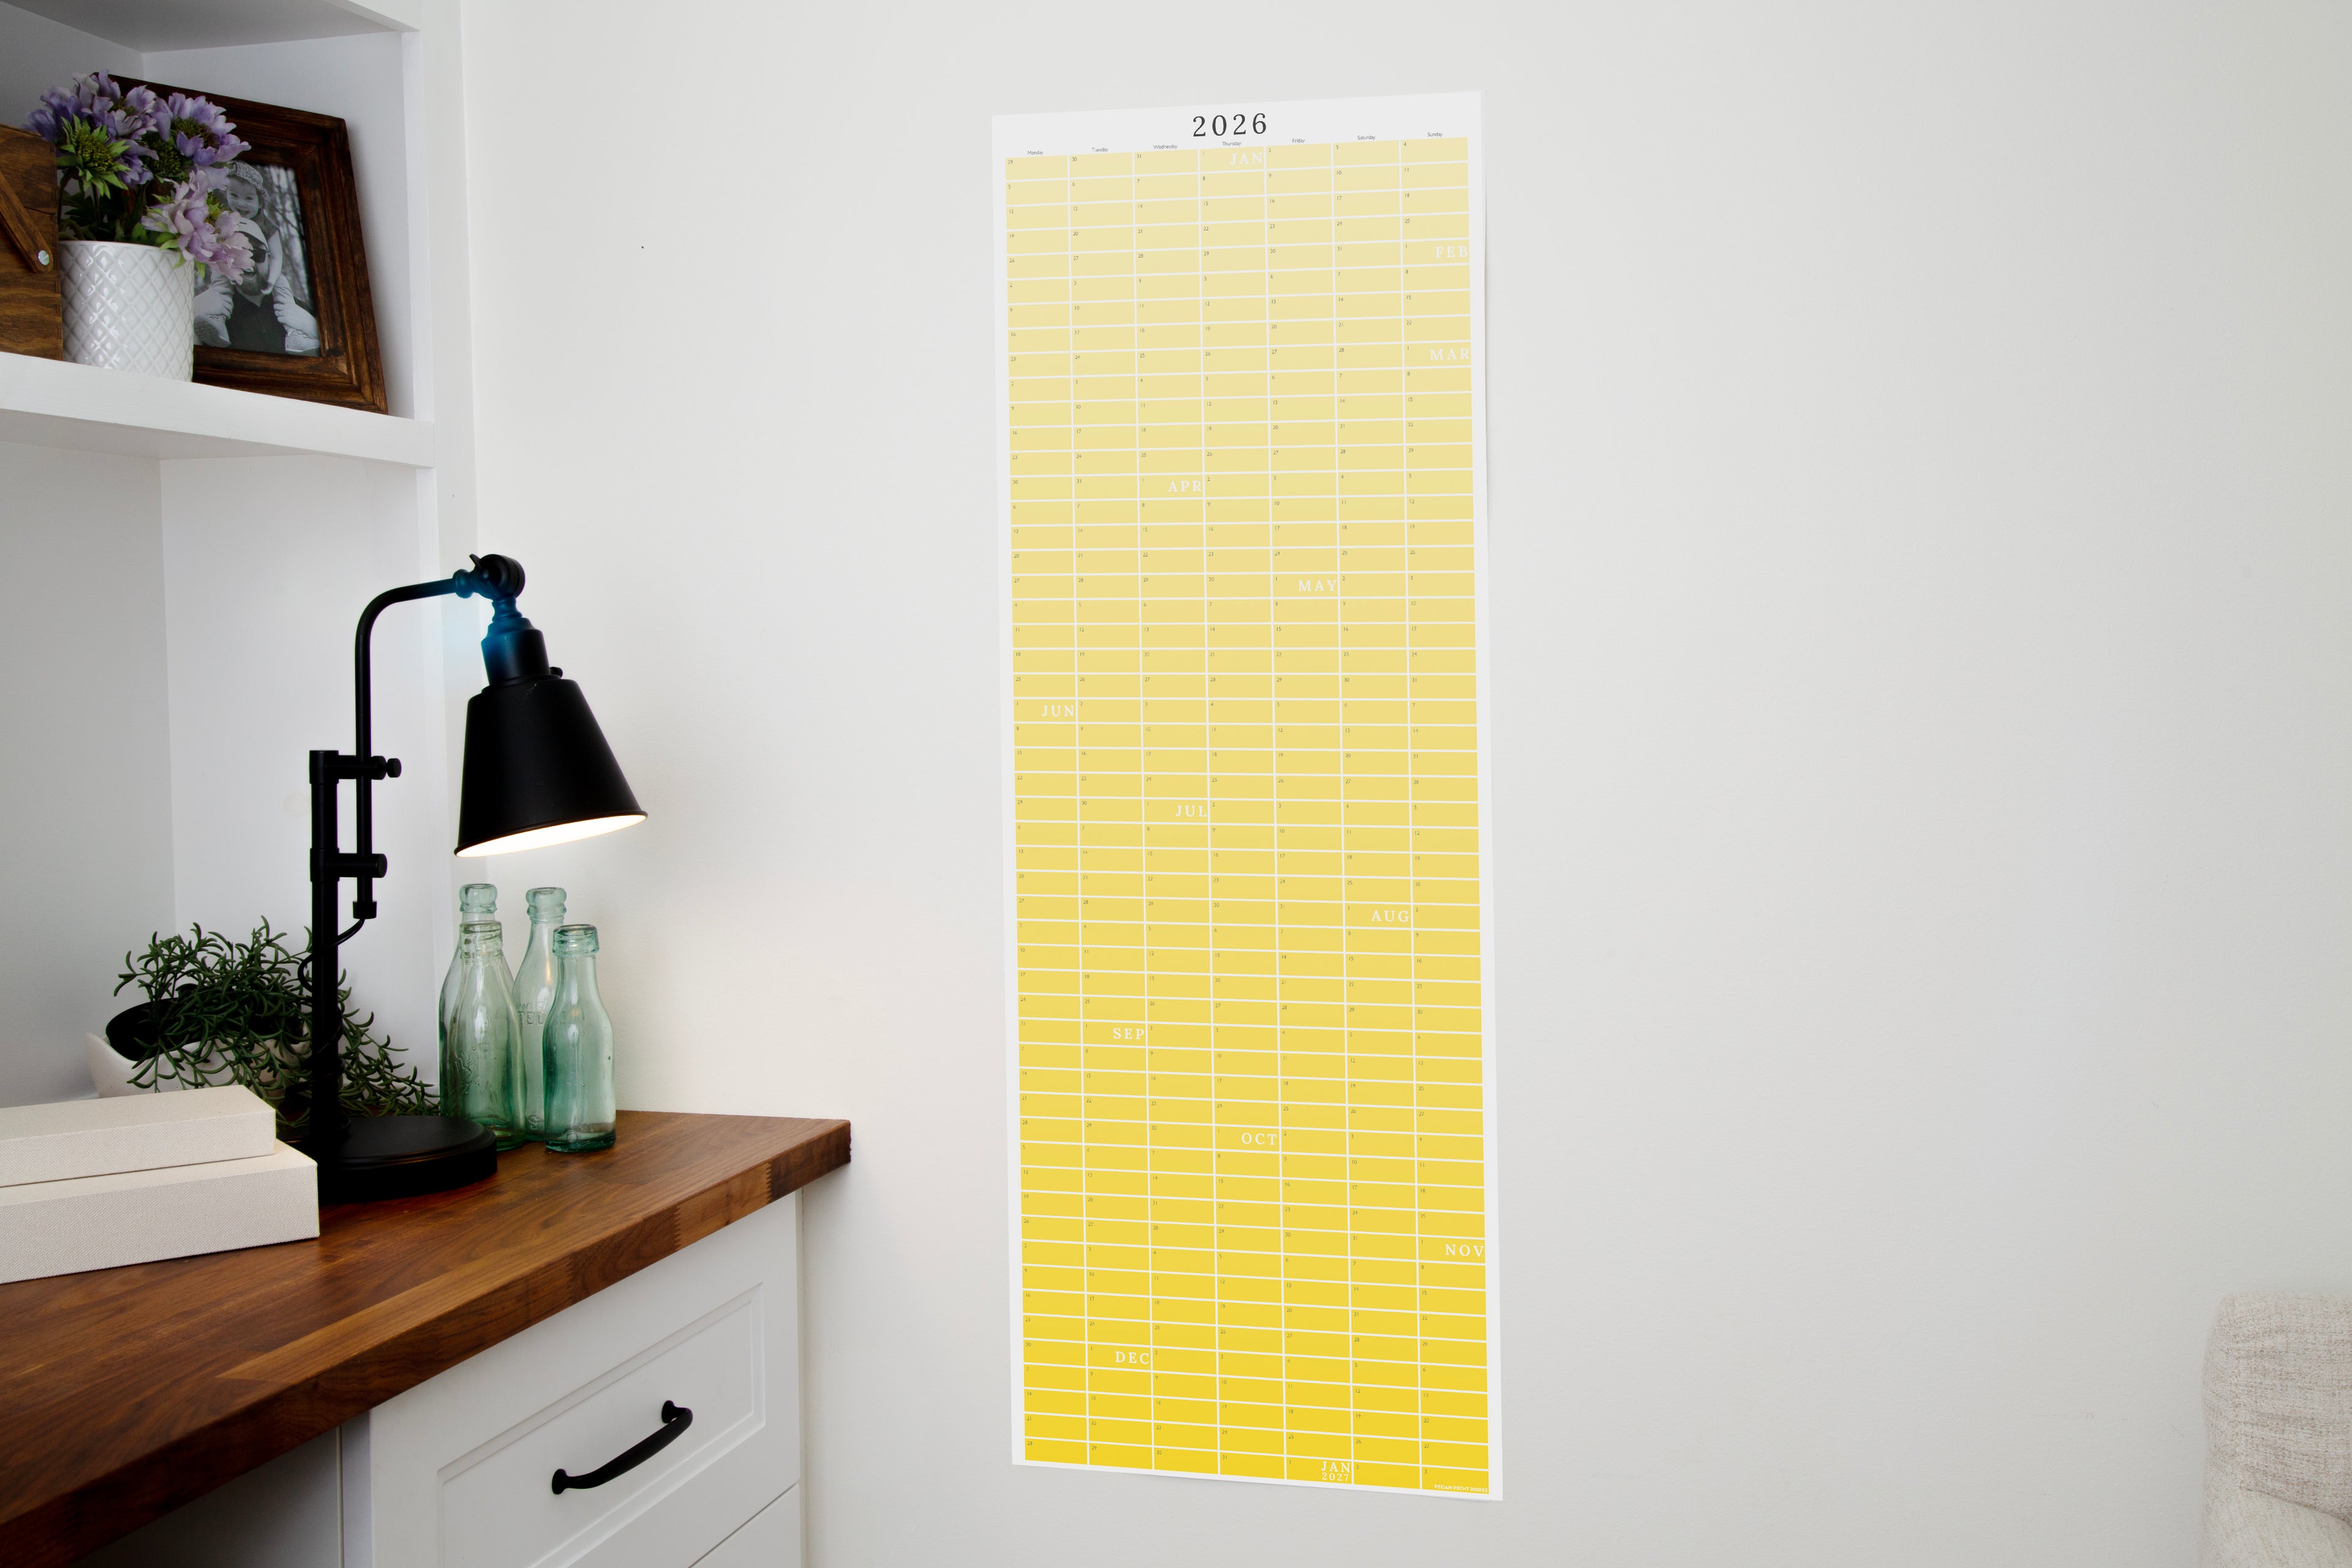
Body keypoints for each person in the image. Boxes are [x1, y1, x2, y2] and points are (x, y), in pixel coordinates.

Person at [192, 165, 318, 355]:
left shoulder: (301, 310)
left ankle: (296, 336)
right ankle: (218, 323)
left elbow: (278, 256)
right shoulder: (208, 309)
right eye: (237, 252)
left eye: (256, 253)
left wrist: (310, 326)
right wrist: (194, 309)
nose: (247, 261)